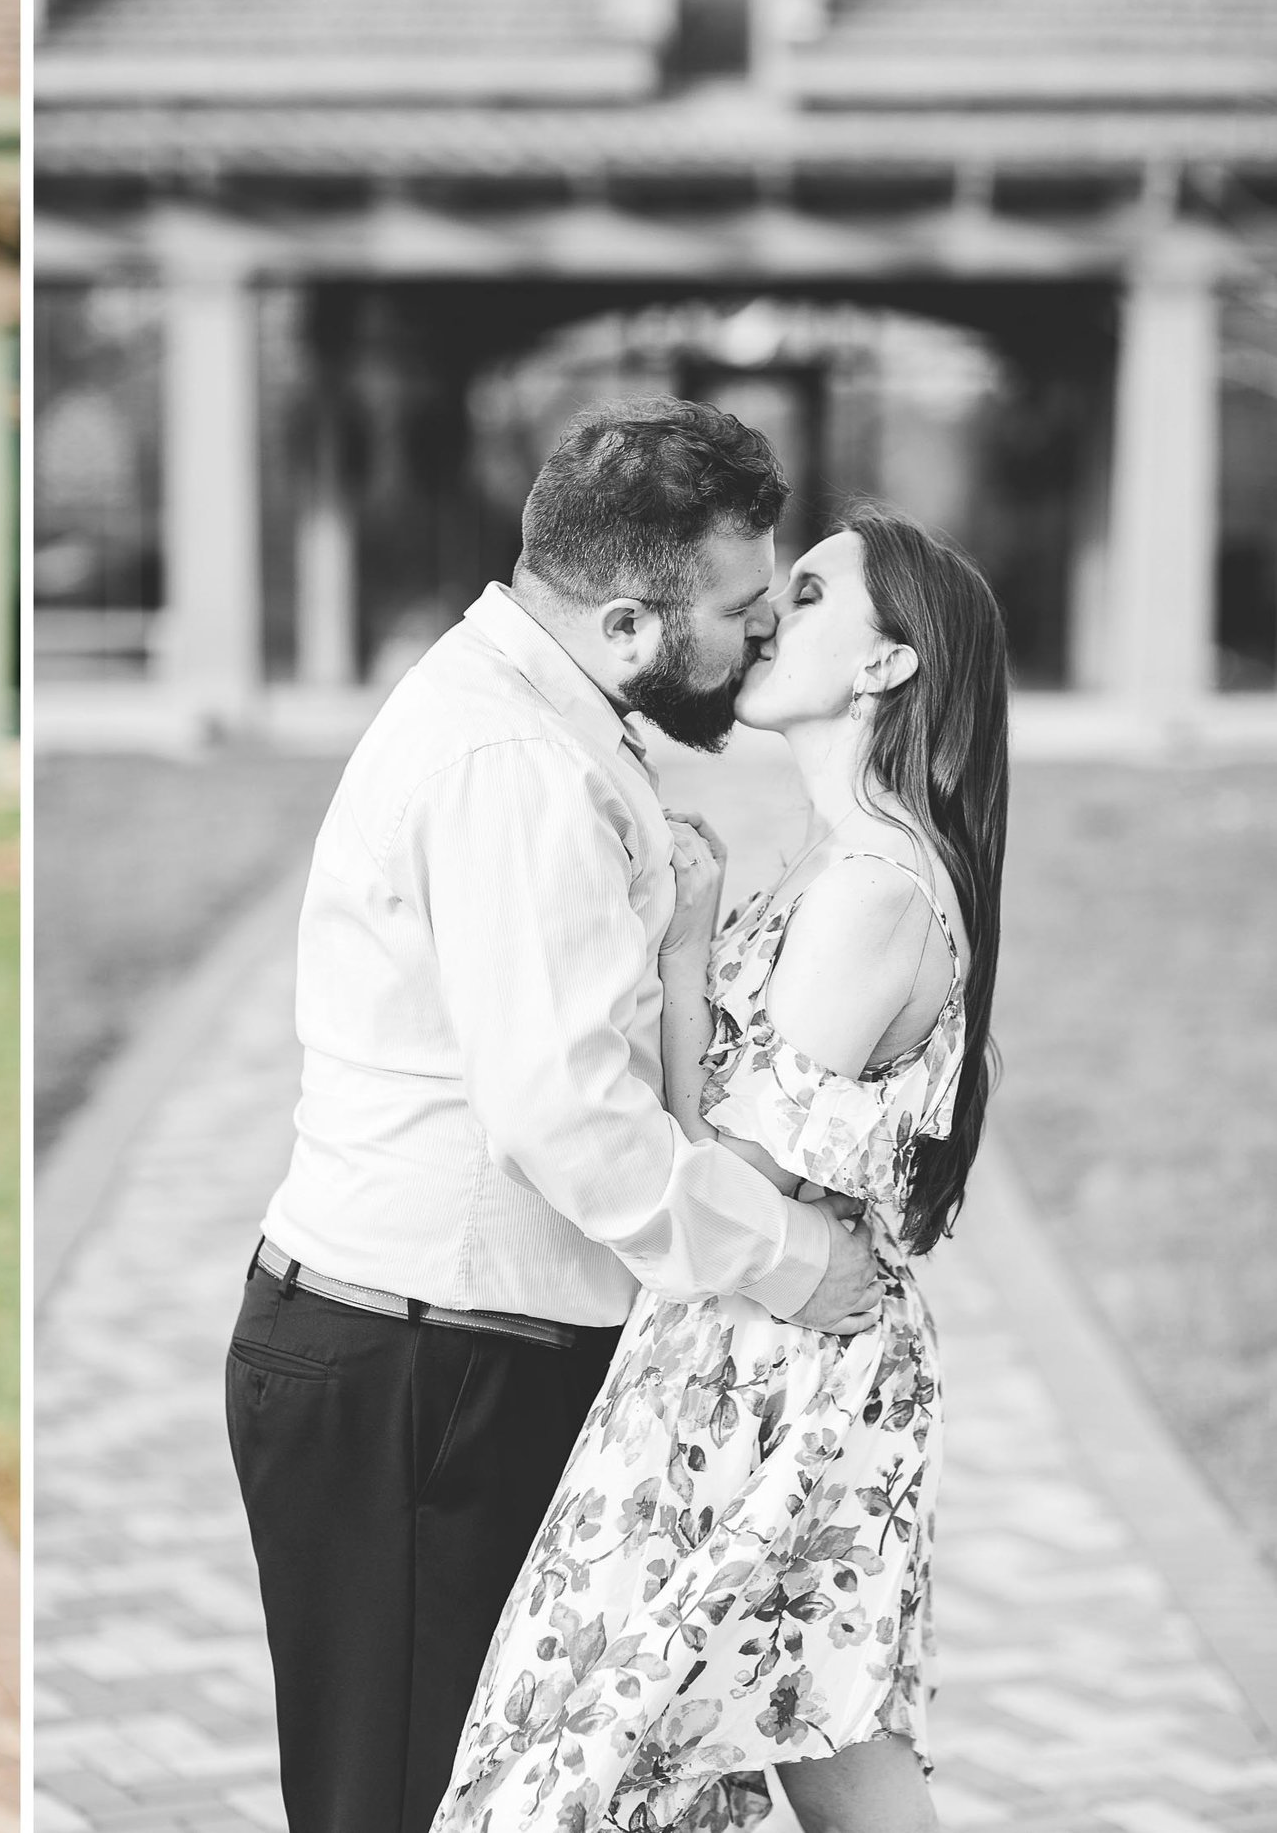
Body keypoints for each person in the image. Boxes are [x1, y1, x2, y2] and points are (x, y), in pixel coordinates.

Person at [225, 396, 885, 1833]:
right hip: (418, 1369)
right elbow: (570, 1118)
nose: (760, 639)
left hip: (445, 1355)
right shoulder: (514, 764)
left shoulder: (537, 711)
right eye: (741, 609)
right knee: (409, 1799)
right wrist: (790, 1256)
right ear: (633, 623)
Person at [438, 505, 1008, 1833]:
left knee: (603, 1741)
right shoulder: (837, 866)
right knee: (801, 1731)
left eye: (806, 596)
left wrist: (687, 958)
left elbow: (720, 1169)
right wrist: (693, 934)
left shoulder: (872, 889)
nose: (766, 617)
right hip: (740, 1345)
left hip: (774, 1371)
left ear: (886, 665)